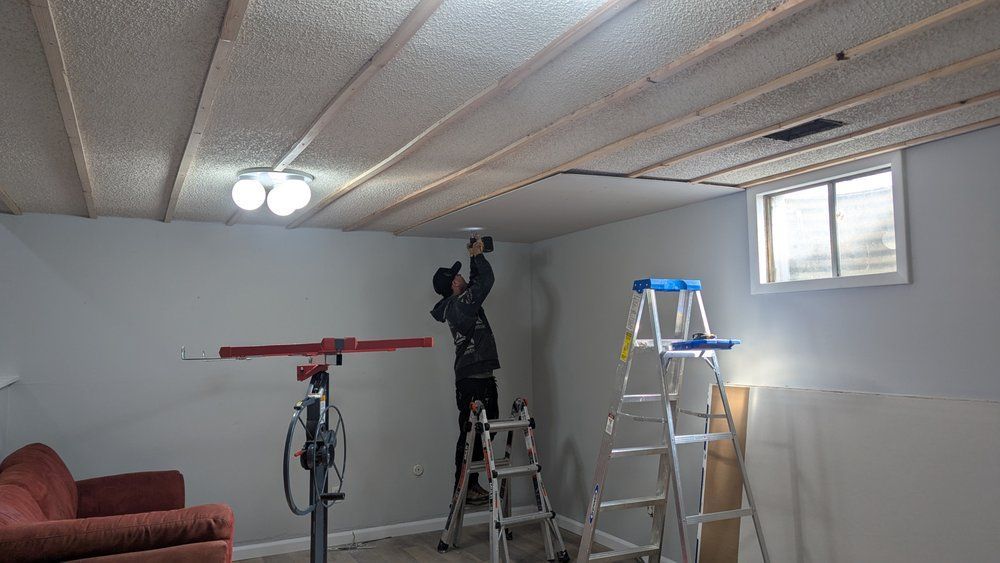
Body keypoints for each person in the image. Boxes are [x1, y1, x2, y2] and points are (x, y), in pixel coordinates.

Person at [430, 236, 500, 506]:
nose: (462, 277)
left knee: (482, 432)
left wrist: (474, 257)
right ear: (453, 285)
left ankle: (469, 485)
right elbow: (485, 282)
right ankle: (466, 487)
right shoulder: (460, 305)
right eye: (458, 276)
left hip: (478, 376)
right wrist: (477, 257)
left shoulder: (460, 302)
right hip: (473, 380)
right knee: (473, 434)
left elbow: (476, 284)